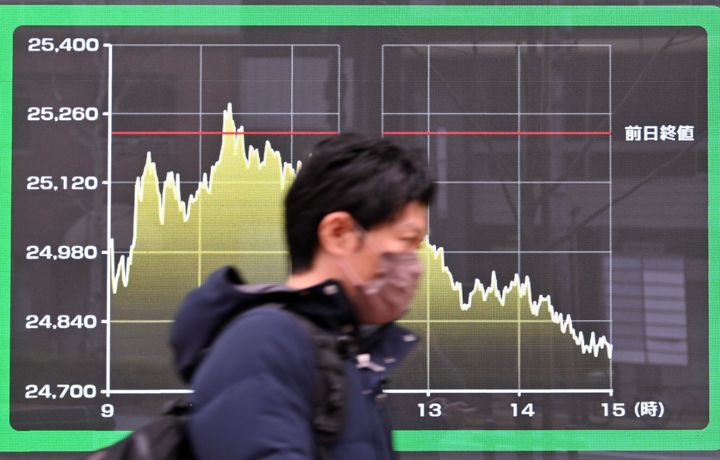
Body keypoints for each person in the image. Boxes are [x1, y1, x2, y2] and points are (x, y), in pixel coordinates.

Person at [170, 133, 435, 459]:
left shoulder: (339, 353)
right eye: (407, 240)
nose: (415, 266)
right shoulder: (265, 342)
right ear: (339, 234)